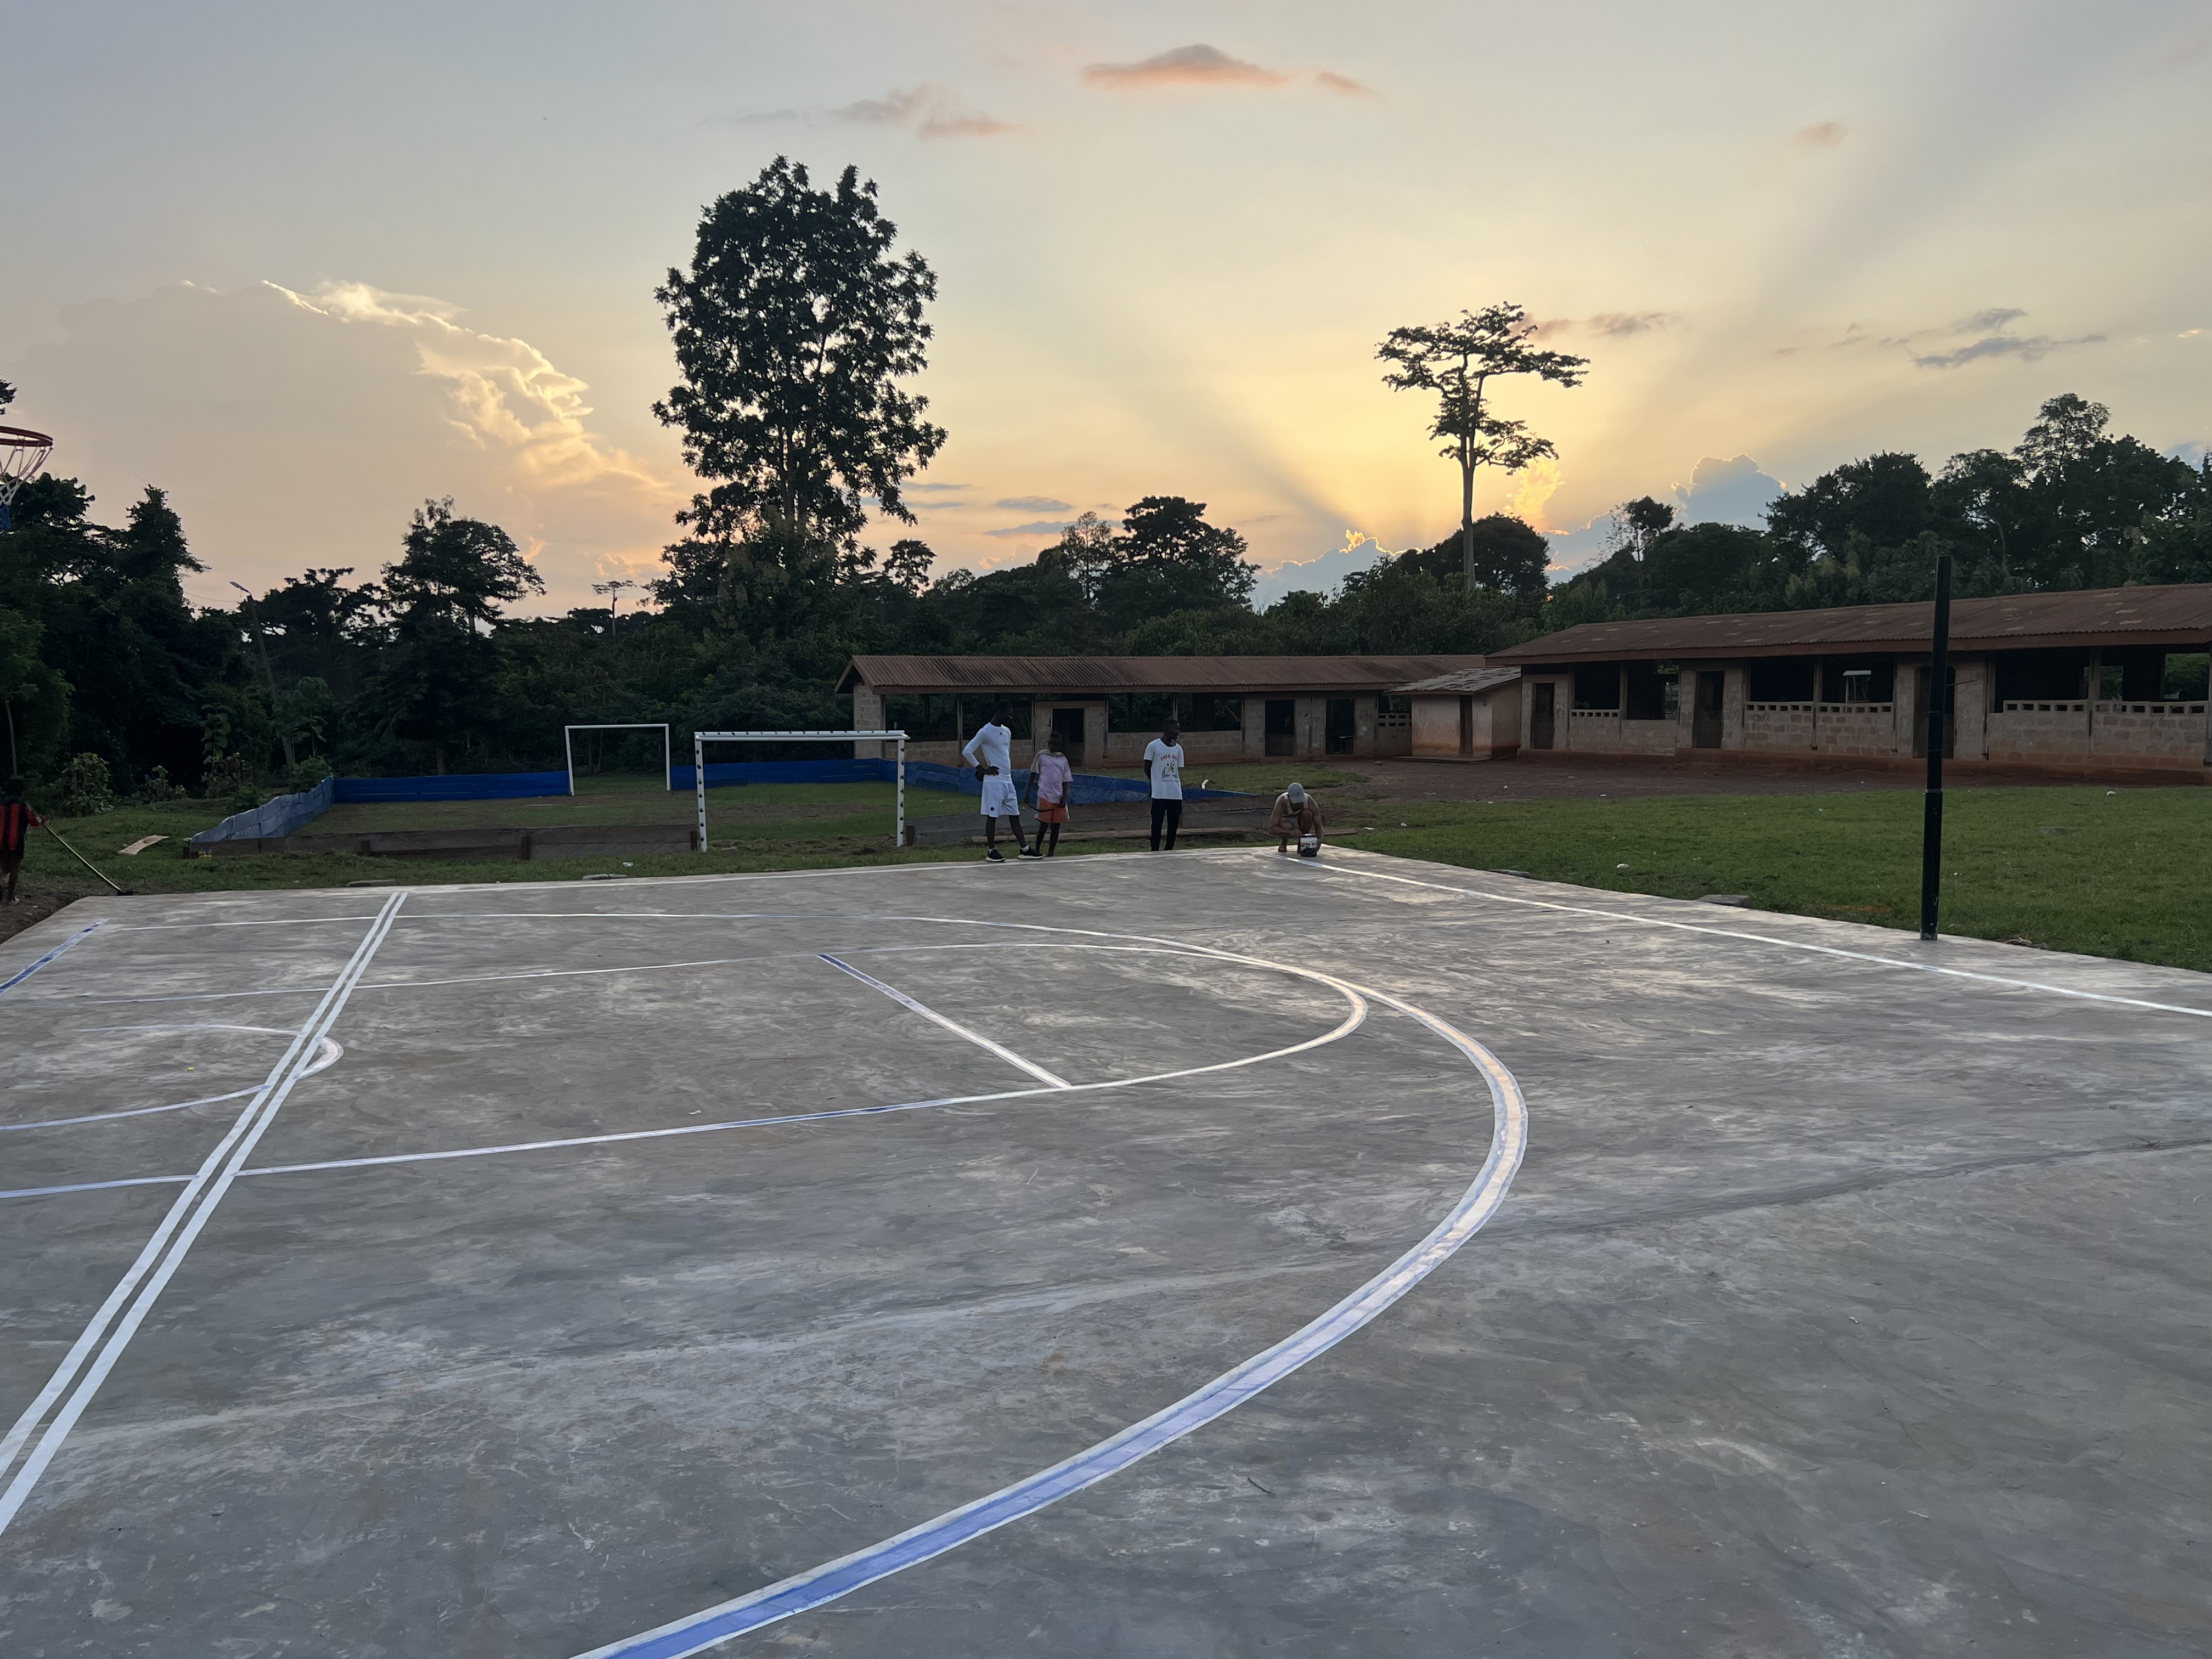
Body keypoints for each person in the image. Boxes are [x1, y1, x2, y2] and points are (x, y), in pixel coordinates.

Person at [961, 702, 1035, 861]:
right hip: (994, 781)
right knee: (992, 816)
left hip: (1008, 780)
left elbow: (1004, 754)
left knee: (1015, 815)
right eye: (1008, 713)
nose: (1011, 717)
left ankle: (1025, 849)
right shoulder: (985, 732)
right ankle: (991, 851)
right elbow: (967, 751)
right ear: (999, 712)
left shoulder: (1007, 732)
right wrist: (982, 769)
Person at [1, 776, 47, 904]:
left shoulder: (2, 805)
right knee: (14, 868)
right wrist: (44, 819)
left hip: (1, 841)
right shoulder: (23, 806)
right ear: (21, 791)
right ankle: (10, 898)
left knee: (5, 869)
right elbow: (34, 821)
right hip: (16, 841)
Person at [1142, 718, 1186, 851]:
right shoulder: (1153, 746)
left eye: (1178, 729)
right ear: (1166, 730)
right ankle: (1155, 850)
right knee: (1157, 824)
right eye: (1175, 729)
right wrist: (1155, 783)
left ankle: (1169, 849)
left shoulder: (1178, 749)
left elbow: (1177, 770)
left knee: (1173, 825)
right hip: (1160, 793)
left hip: (1175, 793)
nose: (1178, 732)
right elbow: (1147, 768)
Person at [1030, 730, 1073, 857]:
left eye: (1056, 744)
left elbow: (1066, 780)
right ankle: (1037, 850)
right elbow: (1033, 773)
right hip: (1045, 795)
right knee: (1043, 826)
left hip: (1059, 797)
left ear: (1060, 745)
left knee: (1056, 827)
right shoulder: (1041, 756)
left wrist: (1065, 797)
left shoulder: (1063, 759)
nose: (1053, 746)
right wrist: (1027, 792)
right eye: (1051, 743)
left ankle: (1051, 852)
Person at [1268, 780, 1325, 857]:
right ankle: (1284, 841)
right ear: (1289, 797)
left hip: (1299, 820)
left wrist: (1319, 839)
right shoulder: (1282, 802)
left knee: (1308, 814)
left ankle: (1301, 842)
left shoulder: (1309, 801)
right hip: (1285, 821)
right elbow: (1272, 829)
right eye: (1295, 803)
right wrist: (1289, 832)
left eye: (1300, 801)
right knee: (1287, 826)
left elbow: (1318, 824)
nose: (1298, 804)